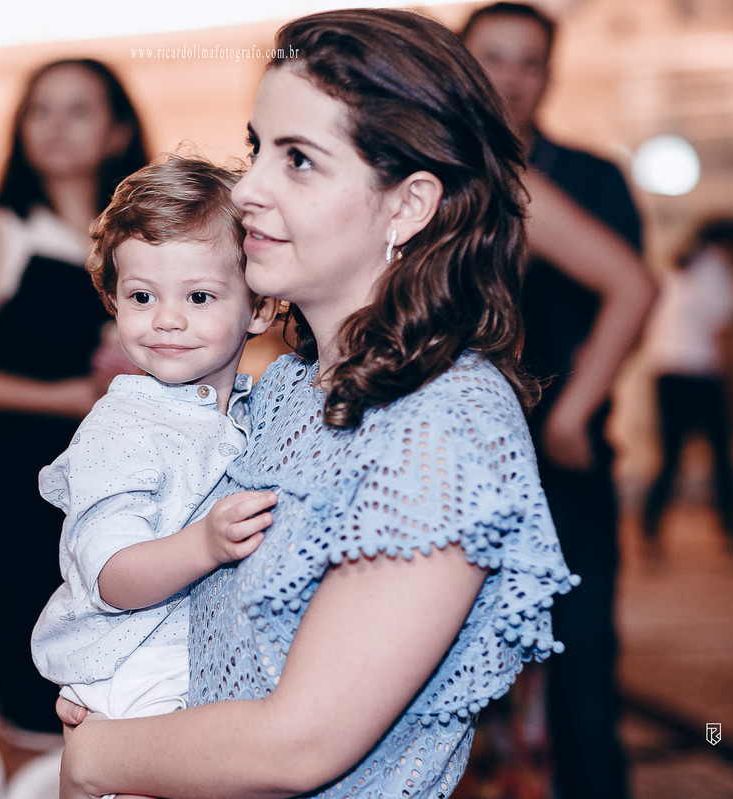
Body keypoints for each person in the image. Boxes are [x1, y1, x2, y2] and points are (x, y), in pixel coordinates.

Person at [55, 10, 578, 798]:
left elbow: (298, 745)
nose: (251, 190)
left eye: (299, 160)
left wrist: (100, 755)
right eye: (257, 147)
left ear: (408, 204)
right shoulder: (288, 390)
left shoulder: (445, 423)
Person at [0, 58, 149, 740]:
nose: (55, 126)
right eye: (39, 109)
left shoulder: (150, 239)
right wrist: (67, 396)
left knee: (134, 692)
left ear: (118, 130)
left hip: (138, 490)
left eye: (78, 109)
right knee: (40, 696)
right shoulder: (4, 234)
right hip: (24, 488)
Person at [461, 5, 656, 799]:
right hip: (450, 467)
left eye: (528, 61)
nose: (509, 77)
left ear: (551, 75)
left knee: (581, 685)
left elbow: (634, 291)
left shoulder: (584, 178)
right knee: (442, 691)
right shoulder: (424, 171)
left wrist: (575, 410)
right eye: (491, 58)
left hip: (560, 463)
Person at [31, 156, 278, 737]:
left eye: (198, 298)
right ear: (113, 301)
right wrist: (206, 544)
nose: (166, 320)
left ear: (261, 307)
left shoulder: (256, 410)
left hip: (196, 665)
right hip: (136, 672)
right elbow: (111, 576)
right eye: (142, 297)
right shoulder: (121, 430)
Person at [643, 216, 733, 553]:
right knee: (722, 457)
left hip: (666, 371)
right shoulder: (715, 270)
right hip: (701, 373)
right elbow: (720, 334)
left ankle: (650, 528)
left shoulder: (679, 268)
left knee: (671, 457)